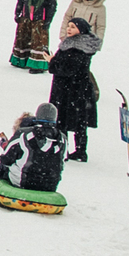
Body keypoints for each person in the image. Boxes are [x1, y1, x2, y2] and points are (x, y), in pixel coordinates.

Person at [47, 18, 102, 160]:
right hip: (78, 89)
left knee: (64, 120)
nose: (69, 29)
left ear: (81, 29)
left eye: (73, 27)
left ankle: (64, 149)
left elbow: (67, 69)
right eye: (68, 26)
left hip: (69, 90)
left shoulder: (76, 47)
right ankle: (79, 150)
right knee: (79, 122)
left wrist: (52, 62)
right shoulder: (79, 45)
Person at [0, 102, 66, 191]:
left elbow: (6, 159)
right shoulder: (63, 139)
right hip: (50, 185)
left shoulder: (23, 134)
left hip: (24, 182)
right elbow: (61, 162)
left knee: (1, 164)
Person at [11, 0, 59, 73]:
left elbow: (52, 5)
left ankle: (38, 65)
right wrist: (18, 11)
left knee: (38, 41)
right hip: (26, 15)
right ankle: (21, 60)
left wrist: (48, 20)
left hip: (40, 17)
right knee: (23, 38)